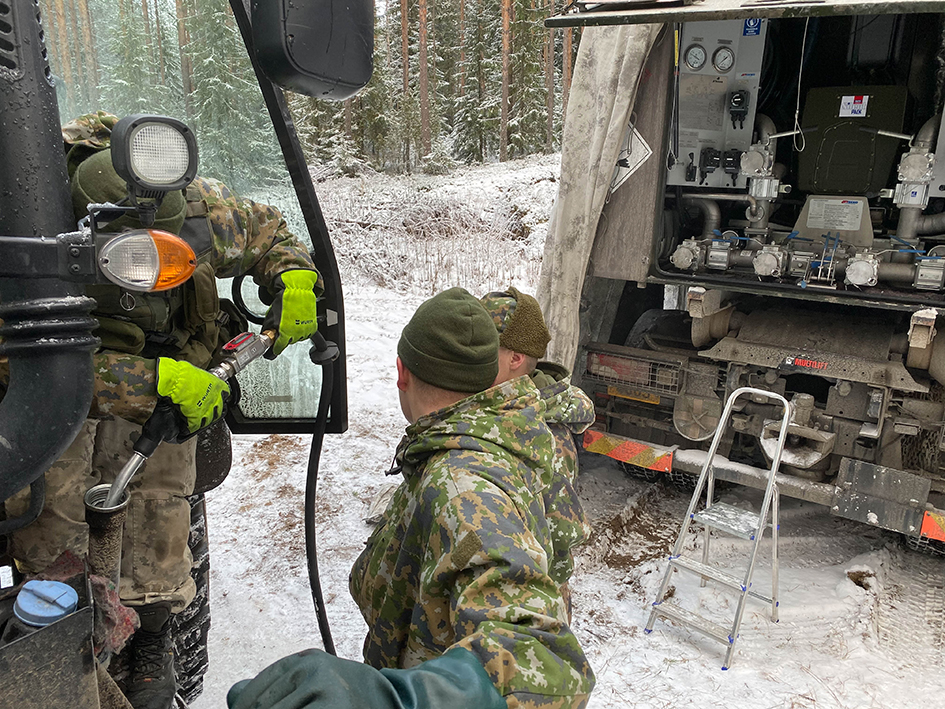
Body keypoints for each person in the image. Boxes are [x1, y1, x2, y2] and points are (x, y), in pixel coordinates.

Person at [5, 111, 323, 709]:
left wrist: (296, 279)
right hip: (55, 400)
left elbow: (269, 232)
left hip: (166, 398)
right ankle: (62, 640)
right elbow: (8, 362)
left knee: (161, 519)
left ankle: (153, 637)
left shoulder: (196, 208)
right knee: (53, 535)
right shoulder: (21, 218)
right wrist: (146, 382)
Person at [226, 287, 595, 709]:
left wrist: (400, 700)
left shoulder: (463, 485)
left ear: (401, 371)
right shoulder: (462, 440)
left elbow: (544, 661)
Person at [480, 287, 594, 611]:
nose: (469, 354)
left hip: (530, 602)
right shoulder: (499, 404)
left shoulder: (544, 437)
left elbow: (555, 542)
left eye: (482, 347)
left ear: (515, 358)